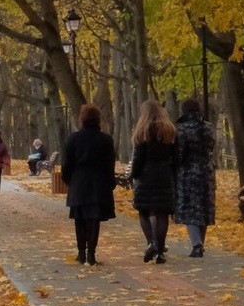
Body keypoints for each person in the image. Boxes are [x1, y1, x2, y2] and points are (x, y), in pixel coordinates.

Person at [61, 103, 116, 264]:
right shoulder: (106, 139)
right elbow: (109, 163)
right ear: (98, 120)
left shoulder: (73, 138)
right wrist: (110, 182)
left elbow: (66, 164)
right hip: (98, 183)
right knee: (94, 220)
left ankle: (81, 253)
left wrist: (69, 180)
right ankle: (91, 253)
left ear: (82, 119)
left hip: (79, 182)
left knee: (80, 219)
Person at [128, 99, 179, 263]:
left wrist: (133, 174)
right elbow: (176, 157)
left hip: (146, 175)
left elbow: (138, 158)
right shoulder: (169, 130)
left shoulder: (143, 131)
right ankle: (160, 252)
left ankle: (151, 243)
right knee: (162, 213)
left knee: (144, 211)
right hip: (164, 175)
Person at [175, 98, 217, 257]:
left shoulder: (182, 129)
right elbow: (211, 147)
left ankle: (197, 244)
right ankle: (201, 244)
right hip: (206, 171)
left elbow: (180, 153)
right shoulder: (208, 128)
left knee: (190, 208)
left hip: (188, 173)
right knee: (204, 207)